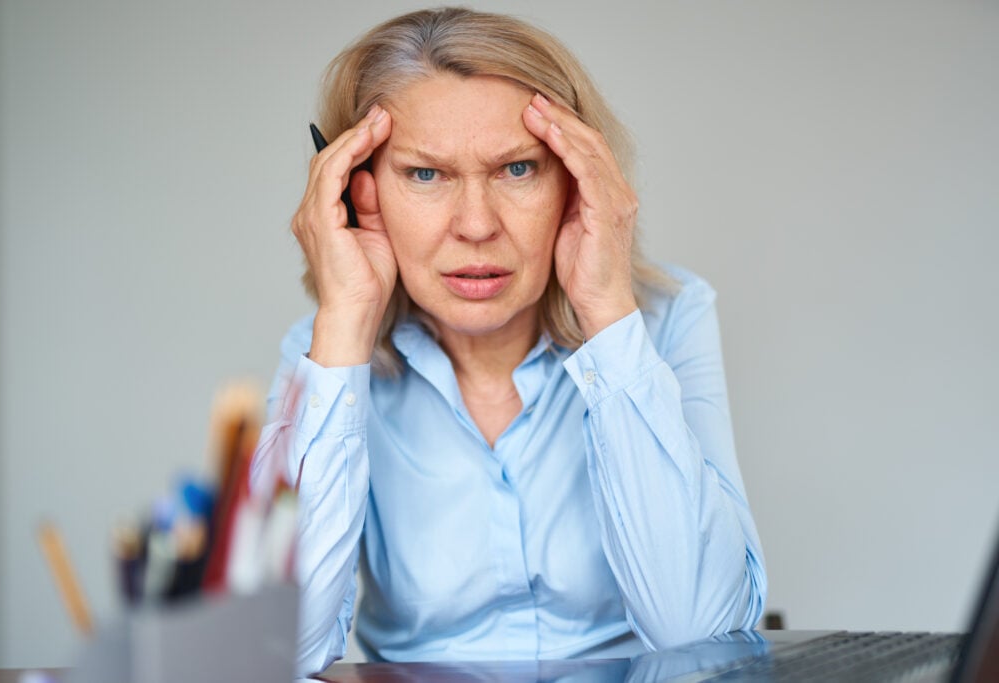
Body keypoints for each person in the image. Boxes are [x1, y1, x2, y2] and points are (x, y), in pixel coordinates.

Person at [250, 7, 767, 676]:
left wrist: (607, 314)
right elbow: (270, 656)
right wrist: (346, 320)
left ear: (578, 183)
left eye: (517, 169)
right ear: (357, 192)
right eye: (425, 174)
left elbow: (703, 632)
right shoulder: (323, 356)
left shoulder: (667, 321)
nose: (475, 225)